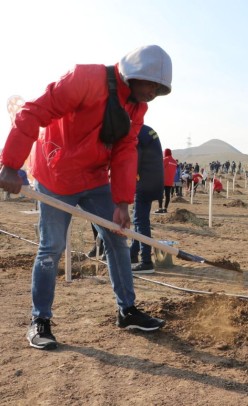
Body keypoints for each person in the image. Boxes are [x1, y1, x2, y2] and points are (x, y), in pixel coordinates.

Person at [0, 45, 173, 350]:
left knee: (117, 236)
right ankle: (40, 320)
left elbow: (124, 150)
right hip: (56, 174)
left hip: (95, 178)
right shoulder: (85, 79)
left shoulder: (136, 106)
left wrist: (121, 203)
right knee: (51, 247)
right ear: (133, 75)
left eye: (160, 89)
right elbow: (33, 112)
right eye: (151, 85)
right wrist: (11, 165)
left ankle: (127, 310)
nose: (154, 93)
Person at [130, 125, 164, 274]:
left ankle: (146, 261)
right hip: (154, 179)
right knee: (139, 219)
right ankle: (133, 253)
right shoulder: (145, 130)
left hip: (145, 181)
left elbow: (135, 161)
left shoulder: (136, 133)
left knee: (140, 221)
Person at [156, 148, 177, 213]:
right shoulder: (174, 161)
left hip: (163, 180)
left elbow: (159, 167)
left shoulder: (165, 159)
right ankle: (165, 208)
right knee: (167, 195)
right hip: (170, 181)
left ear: (165, 153)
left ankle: (160, 208)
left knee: (160, 194)